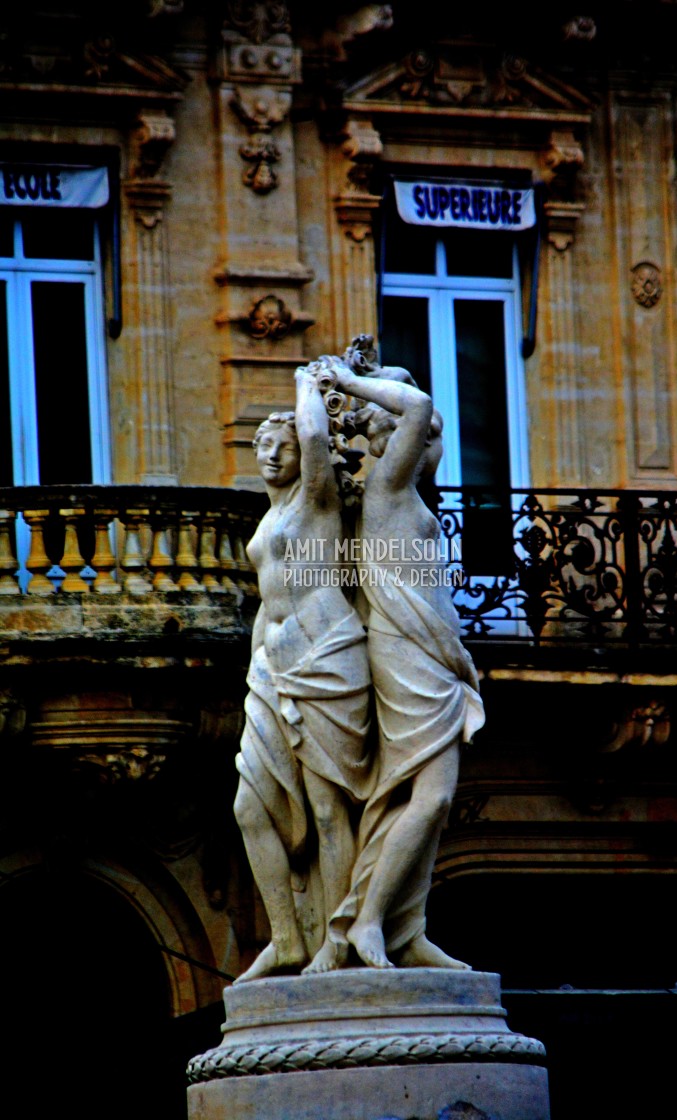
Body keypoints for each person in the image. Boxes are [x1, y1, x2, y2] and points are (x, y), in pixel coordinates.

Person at [325, 364, 485, 970]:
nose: (432, 442)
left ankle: (405, 928)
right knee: (433, 795)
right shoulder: (389, 490)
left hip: (431, 656)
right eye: (425, 435)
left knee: (419, 800)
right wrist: (346, 378)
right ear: (392, 436)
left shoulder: (409, 494)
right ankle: (366, 920)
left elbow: (421, 415)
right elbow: (416, 406)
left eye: (438, 436)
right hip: (406, 654)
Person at [233, 367, 372, 980]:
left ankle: (335, 941)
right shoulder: (267, 521)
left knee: (326, 808)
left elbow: (318, 440)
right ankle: (287, 938)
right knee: (249, 806)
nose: (269, 455)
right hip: (271, 664)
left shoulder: (316, 501)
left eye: (280, 447)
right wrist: (257, 665)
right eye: (261, 446)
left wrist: (308, 384)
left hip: (323, 653)